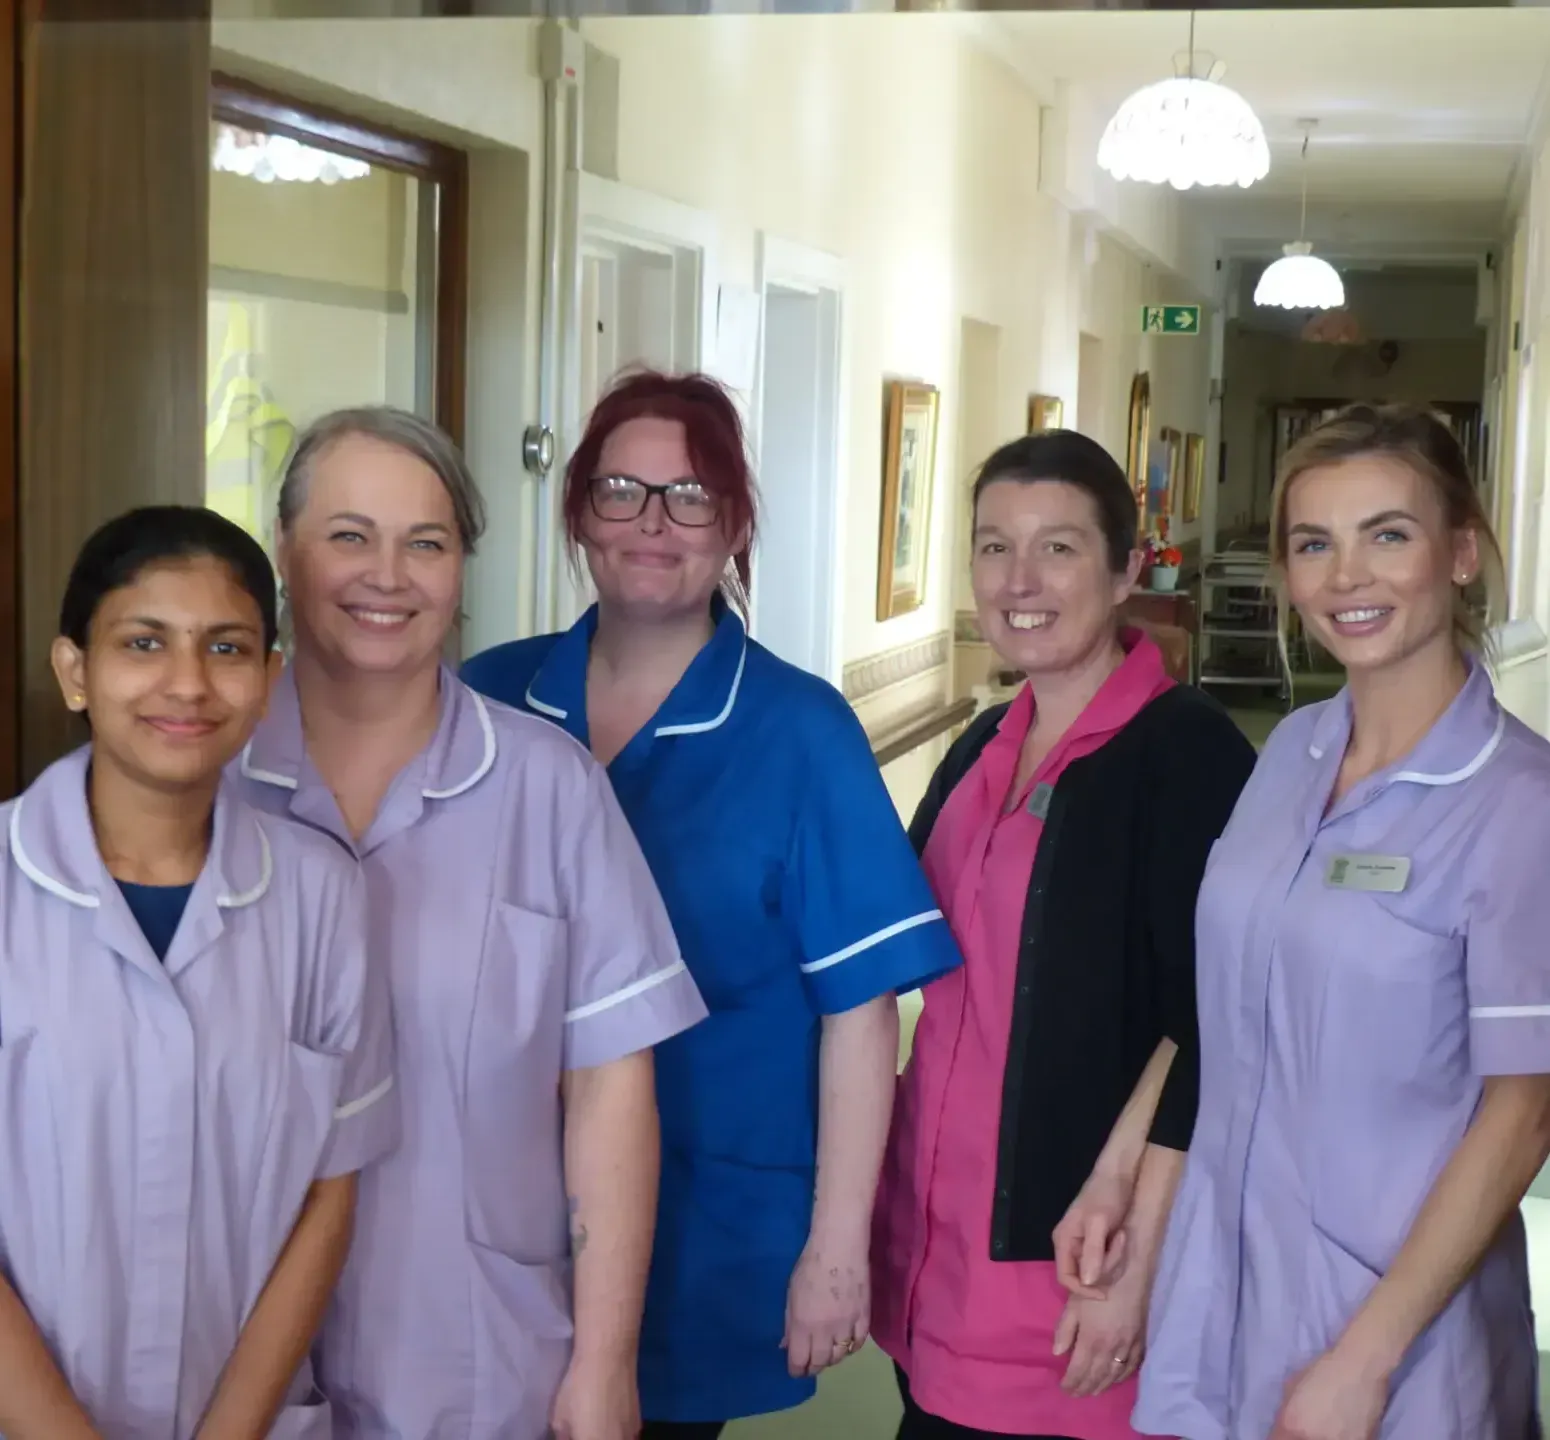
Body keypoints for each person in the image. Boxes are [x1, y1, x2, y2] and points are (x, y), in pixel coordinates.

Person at [462, 369, 961, 1438]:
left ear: (732, 524)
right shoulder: (489, 700)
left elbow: (860, 1012)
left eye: (689, 496)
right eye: (619, 491)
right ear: (577, 514)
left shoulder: (797, 731)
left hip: (707, 1224)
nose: (652, 523)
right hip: (485, 1212)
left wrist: (835, 1250)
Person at [237, 407, 708, 1440]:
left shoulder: (547, 788)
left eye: (427, 542)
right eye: (349, 535)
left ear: (462, 569)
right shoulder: (211, 781)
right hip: (235, 1358)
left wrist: (603, 1364)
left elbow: (610, 1089)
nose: (387, 576)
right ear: (285, 552)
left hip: (480, 1352)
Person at [1136, 402, 1550, 1440]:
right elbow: (1227, 1008)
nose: (1344, 578)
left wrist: (1363, 1363)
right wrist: (1127, 1179)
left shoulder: (1515, 804)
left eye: (1387, 536)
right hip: (1225, 1283)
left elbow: (1525, 1109)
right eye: (1312, 544)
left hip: (1393, 1334)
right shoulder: (1289, 751)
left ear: (1459, 553)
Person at [870, 430, 1256, 1440]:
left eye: (1058, 548)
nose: (1018, 580)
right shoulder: (979, 744)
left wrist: (1133, 1261)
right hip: (932, 1255)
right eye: (992, 547)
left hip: (1072, 1275)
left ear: (1127, 569)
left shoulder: (1183, 755)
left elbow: (1215, 1025)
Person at [0, 505, 396, 1440]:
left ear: (268, 681)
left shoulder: (322, 896)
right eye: (144, 642)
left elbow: (327, 1200)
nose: (187, 683)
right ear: (75, 671)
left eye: (226, 648)